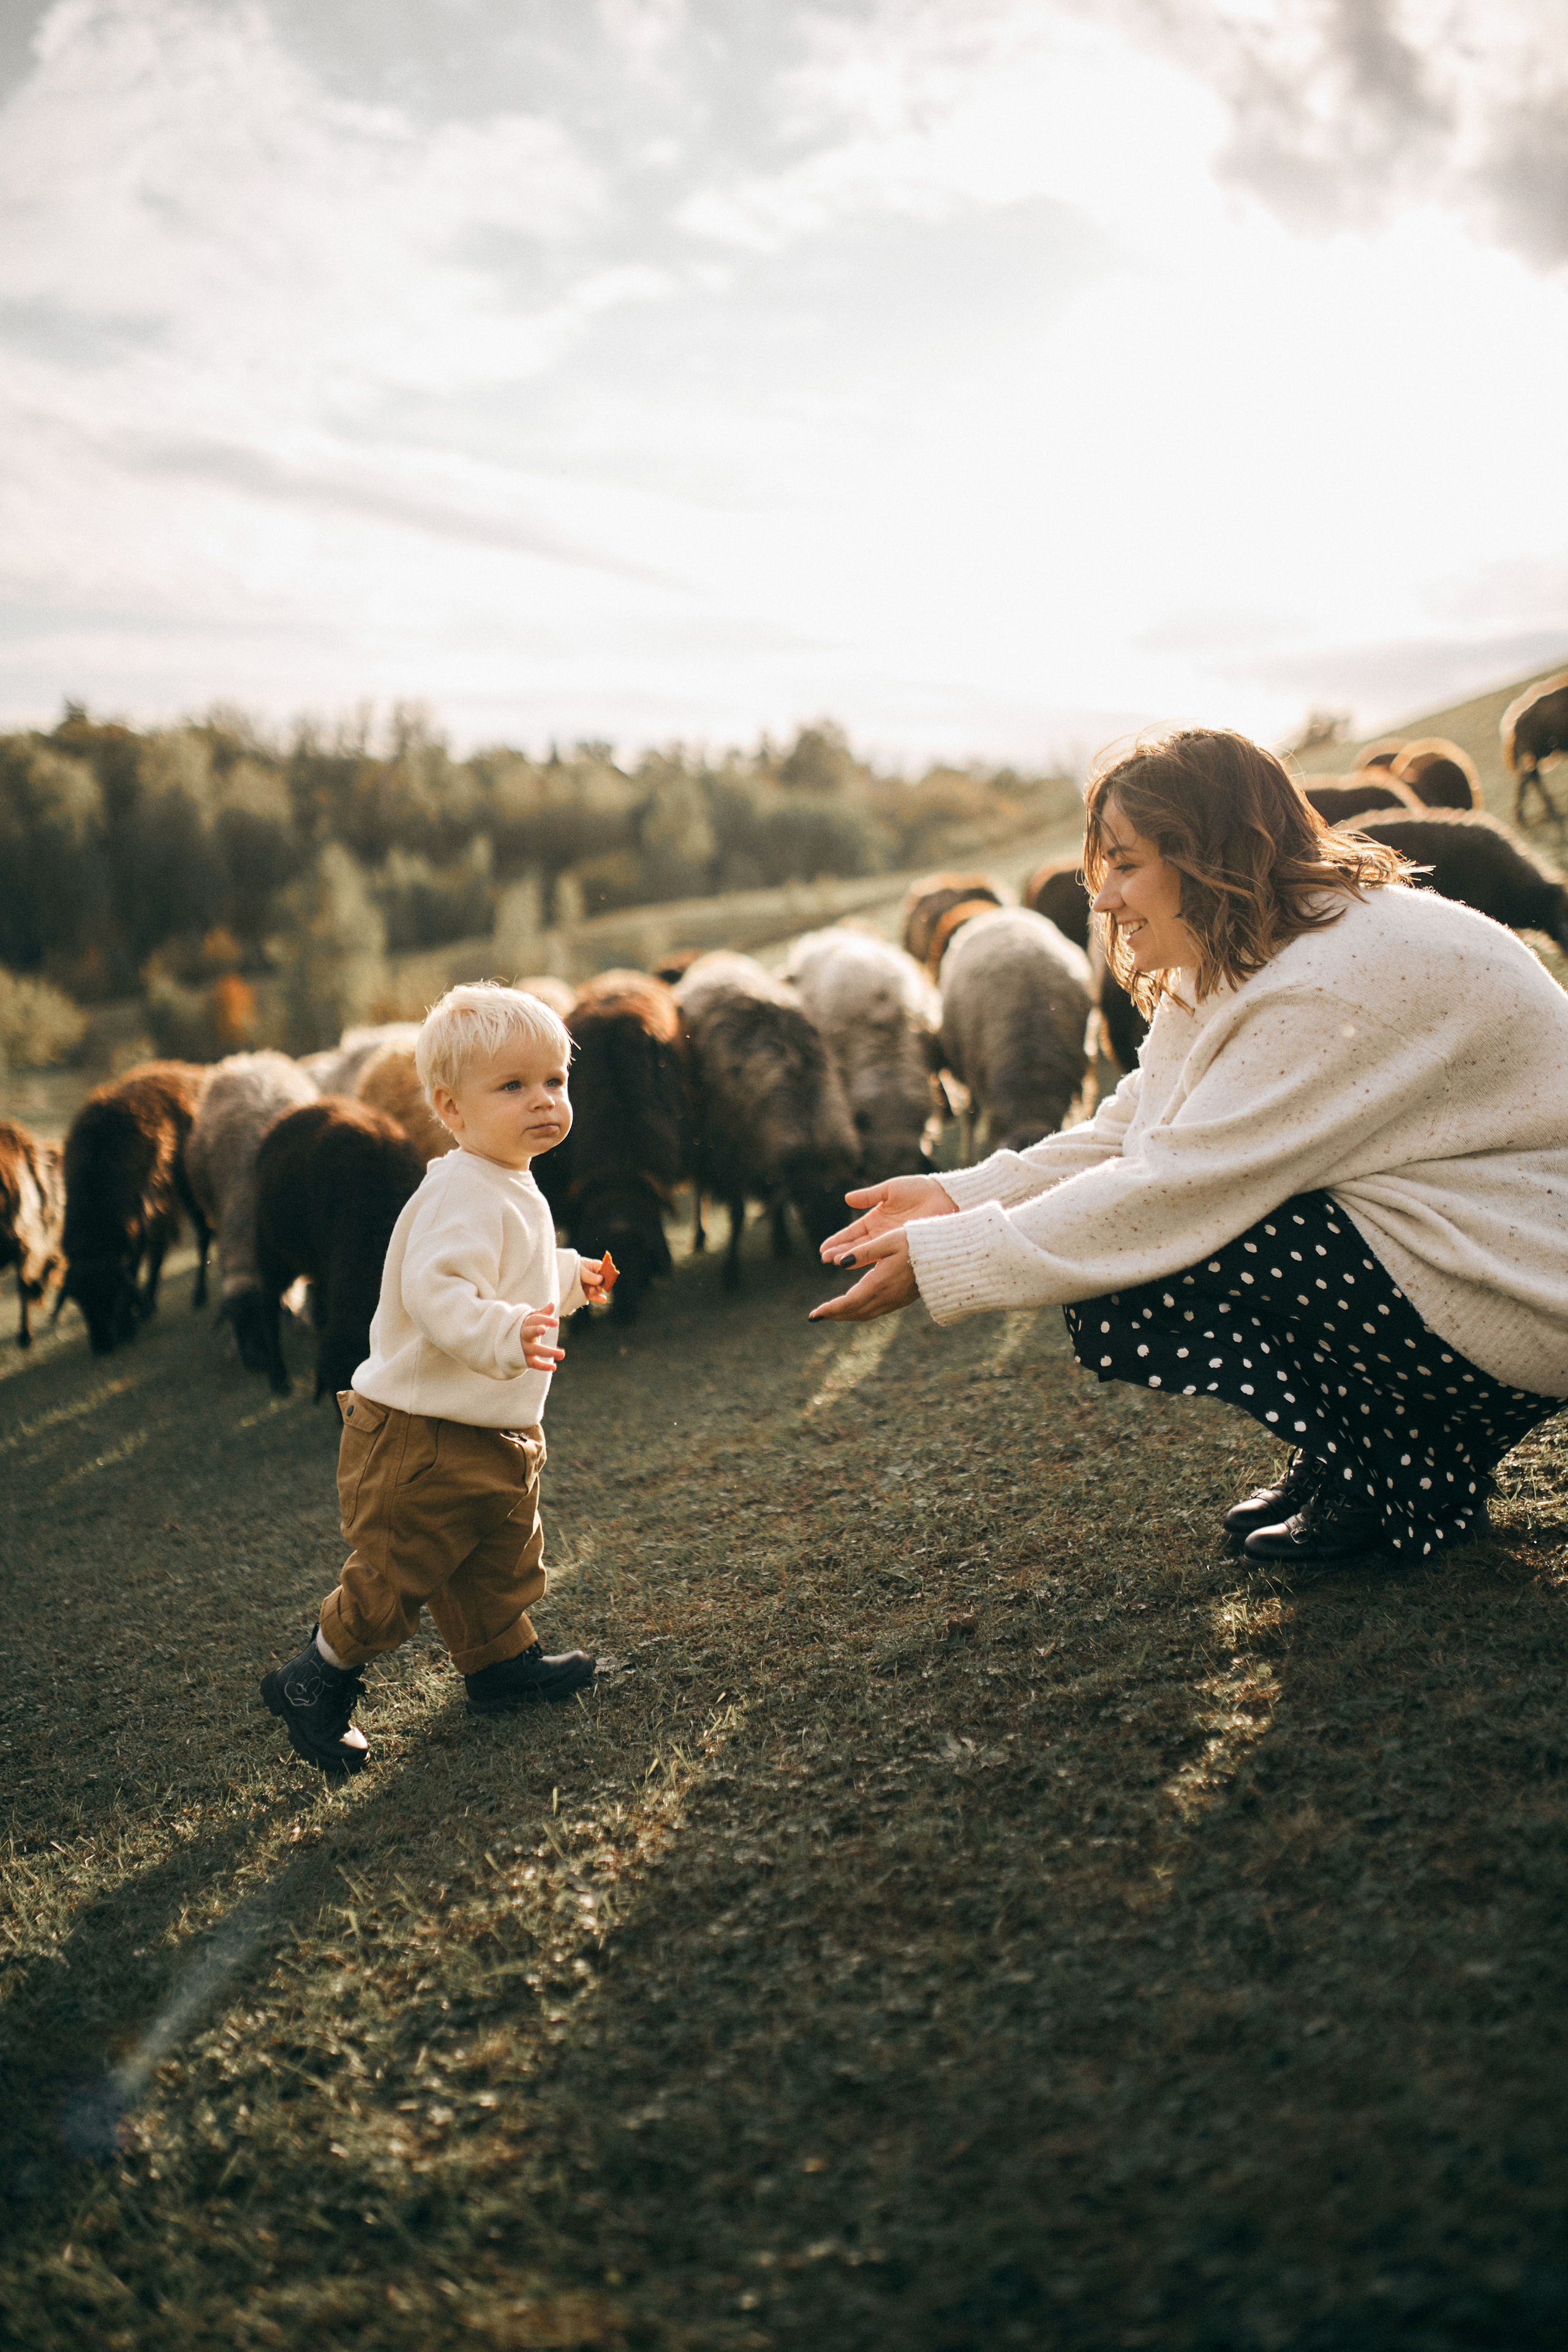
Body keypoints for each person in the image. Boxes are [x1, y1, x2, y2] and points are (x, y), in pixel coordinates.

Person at [811, 728, 1568, 1565]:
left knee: (1193, 1242)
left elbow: (1175, 1184)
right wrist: (958, 1195)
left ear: (1207, 857)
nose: (1103, 900)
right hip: (1474, 1231)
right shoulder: (1257, 944)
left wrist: (949, 1256)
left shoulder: (1324, 981)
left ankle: (1408, 1477)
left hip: (1533, 1274)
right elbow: (1138, 1123)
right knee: (1153, 1236)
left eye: (1126, 866)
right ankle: (1362, 1451)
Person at [262, 982, 607, 1776]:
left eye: (554, 1081)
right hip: (423, 1434)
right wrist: (506, 1331)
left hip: (486, 1426)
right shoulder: (460, 1189)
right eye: (513, 1085)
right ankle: (315, 1679)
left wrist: (569, 1278)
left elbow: (512, 1270)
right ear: (451, 1108)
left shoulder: (508, 1178)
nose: (543, 1100)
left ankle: (500, 1666)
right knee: (400, 1569)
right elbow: (439, 1291)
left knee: (496, 1557)